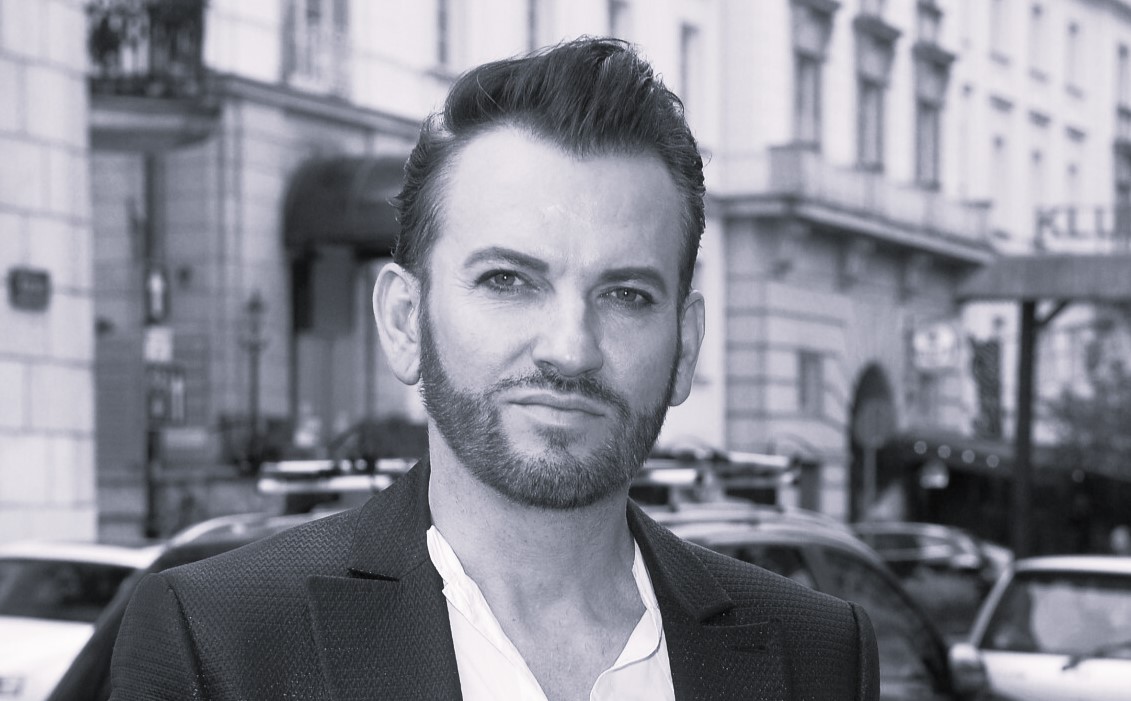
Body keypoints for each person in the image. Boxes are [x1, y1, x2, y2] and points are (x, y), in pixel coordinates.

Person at [109, 38, 879, 700]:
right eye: (507, 280)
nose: (568, 349)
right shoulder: (219, 643)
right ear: (404, 321)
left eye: (625, 293)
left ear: (683, 344)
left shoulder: (816, 655)